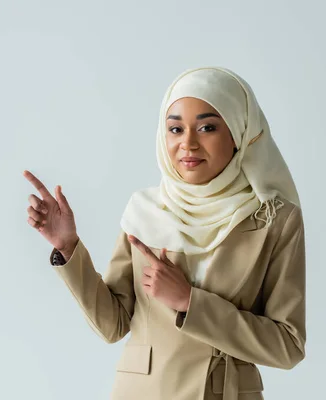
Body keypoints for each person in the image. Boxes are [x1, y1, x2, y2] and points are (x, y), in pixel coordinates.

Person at [23, 67, 306, 400]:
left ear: (240, 134)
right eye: (175, 128)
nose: (188, 143)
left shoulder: (275, 219)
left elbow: (288, 346)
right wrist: (68, 247)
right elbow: (112, 325)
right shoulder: (145, 211)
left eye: (207, 127)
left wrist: (190, 302)